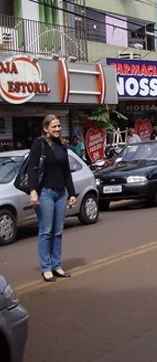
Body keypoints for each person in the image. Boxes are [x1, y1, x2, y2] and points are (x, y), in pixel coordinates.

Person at [28, 115, 77, 283]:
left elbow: (66, 172)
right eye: (54, 127)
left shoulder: (62, 145)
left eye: (58, 127)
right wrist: (33, 191)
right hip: (45, 193)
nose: (57, 129)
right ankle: (46, 268)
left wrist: (71, 193)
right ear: (45, 128)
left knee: (58, 231)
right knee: (46, 231)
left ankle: (57, 265)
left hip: (61, 193)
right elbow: (32, 169)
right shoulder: (39, 145)